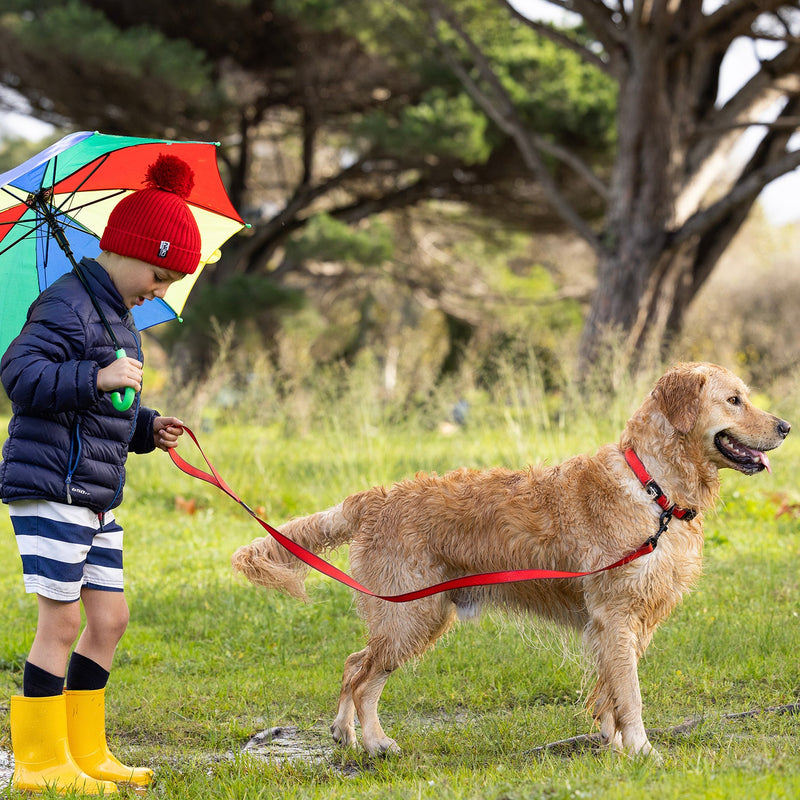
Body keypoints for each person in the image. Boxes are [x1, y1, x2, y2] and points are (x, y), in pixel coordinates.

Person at [0, 154, 201, 794]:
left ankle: (87, 749)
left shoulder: (118, 318)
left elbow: (109, 410)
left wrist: (147, 427)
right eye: (158, 274)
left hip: (93, 493)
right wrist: (95, 375)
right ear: (124, 249)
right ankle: (39, 761)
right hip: (51, 487)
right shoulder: (64, 304)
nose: (159, 290)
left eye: (170, 282)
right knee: (60, 622)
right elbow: (21, 378)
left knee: (109, 620)